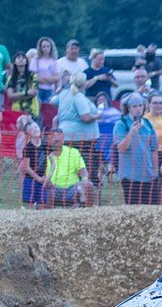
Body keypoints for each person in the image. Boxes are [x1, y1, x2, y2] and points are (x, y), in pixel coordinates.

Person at [55, 72, 101, 201]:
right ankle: (88, 200)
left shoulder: (64, 94)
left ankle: (72, 198)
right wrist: (97, 116)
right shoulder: (79, 96)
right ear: (84, 83)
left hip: (67, 138)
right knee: (87, 170)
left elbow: (53, 101)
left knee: (71, 169)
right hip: (82, 141)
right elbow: (85, 117)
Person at [114, 93, 159, 205]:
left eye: (140, 105)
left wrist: (155, 171)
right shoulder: (121, 124)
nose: (138, 109)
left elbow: (154, 149)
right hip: (129, 176)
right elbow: (121, 148)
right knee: (133, 209)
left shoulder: (148, 123)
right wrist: (131, 133)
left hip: (148, 175)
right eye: (134, 106)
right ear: (129, 108)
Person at [44, 128, 92, 207]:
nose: (56, 142)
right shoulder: (46, 155)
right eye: (53, 140)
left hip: (72, 188)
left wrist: (84, 179)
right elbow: (45, 177)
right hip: (54, 189)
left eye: (58, 139)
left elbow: (82, 170)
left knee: (88, 185)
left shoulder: (73, 152)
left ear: (63, 140)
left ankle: (88, 210)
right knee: (44, 188)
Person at [16, 118, 49, 208]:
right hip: (30, 179)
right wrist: (38, 178)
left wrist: (47, 176)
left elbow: (52, 162)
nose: (35, 130)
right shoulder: (28, 147)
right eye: (32, 129)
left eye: (36, 127)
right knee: (29, 204)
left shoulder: (45, 144)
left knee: (42, 204)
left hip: (42, 178)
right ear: (28, 133)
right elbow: (26, 167)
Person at [5, 50, 38, 116]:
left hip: (31, 110)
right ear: (14, 62)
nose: (21, 59)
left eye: (23, 57)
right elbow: (10, 96)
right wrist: (26, 92)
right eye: (18, 57)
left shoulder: (33, 75)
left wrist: (16, 95)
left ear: (26, 61)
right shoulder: (11, 78)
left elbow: (33, 93)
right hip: (16, 110)